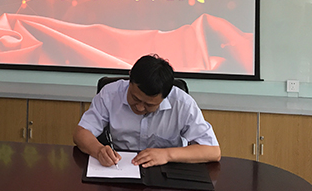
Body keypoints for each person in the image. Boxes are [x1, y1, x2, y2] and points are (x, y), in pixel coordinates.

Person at [73, 54, 220, 168]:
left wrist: (167, 155)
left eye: (149, 105)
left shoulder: (182, 103)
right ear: (130, 79)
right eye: (135, 98)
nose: (140, 107)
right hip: (122, 166)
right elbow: (81, 133)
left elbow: (213, 151)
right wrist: (99, 150)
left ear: (165, 96)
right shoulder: (110, 94)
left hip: (167, 170)